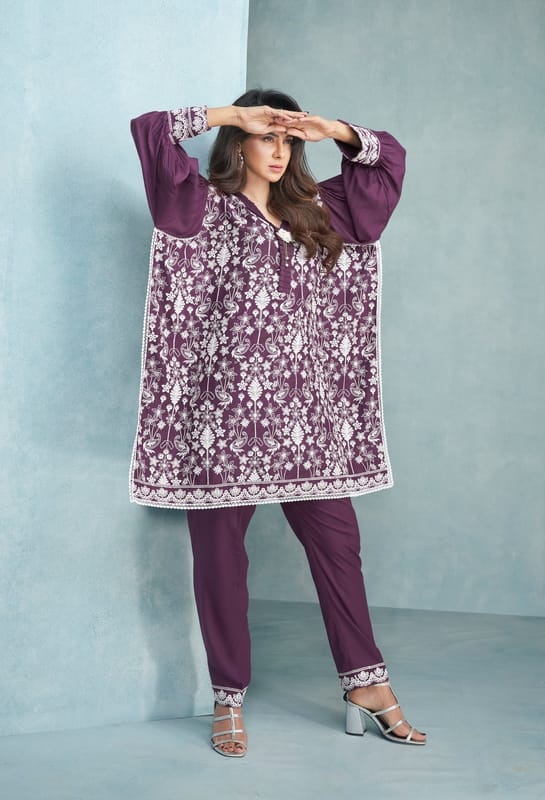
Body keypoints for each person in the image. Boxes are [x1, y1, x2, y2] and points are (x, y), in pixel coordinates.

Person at [129, 89, 426, 757]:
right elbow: (151, 132)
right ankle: (228, 698)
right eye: (266, 136)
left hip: (306, 425)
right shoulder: (198, 206)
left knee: (339, 549)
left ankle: (366, 684)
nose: (279, 150)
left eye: (287, 140)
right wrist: (232, 114)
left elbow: (386, 165)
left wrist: (331, 128)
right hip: (223, 425)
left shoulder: (322, 210)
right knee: (220, 561)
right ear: (239, 142)